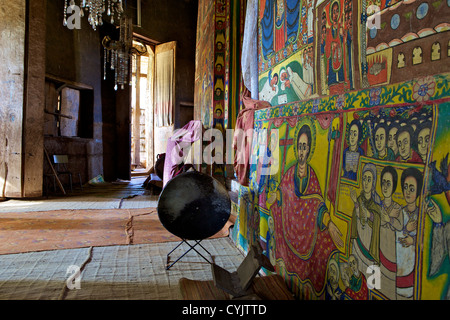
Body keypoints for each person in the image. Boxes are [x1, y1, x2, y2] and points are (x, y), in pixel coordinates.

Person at [268, 124, 343, 296]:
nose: (301, 151)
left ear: (309, 149)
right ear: (296, 149)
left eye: (305, 147)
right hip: (290, 227)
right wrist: (275, 196)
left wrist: (330, 224)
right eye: (299, 147)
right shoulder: (291, 172)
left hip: (306, 232)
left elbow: (318, 205)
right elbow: (282, 191)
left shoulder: (312, 176)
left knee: (324, 243)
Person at [350, 163, 382, 276]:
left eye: (369, 179)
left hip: (370, 246)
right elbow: (357, 217)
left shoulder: (377, 204)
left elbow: (378, 220)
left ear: (373, 183)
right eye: (364, 179)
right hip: (358, 244)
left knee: (371, 280)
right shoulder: (359, 199)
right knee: (357, 274)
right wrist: (356, 203)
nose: (366, 182)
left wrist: (370, 215)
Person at [396, 167, 423, 299]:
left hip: (413, 273)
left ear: (418, 191)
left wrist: (413, 241)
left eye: (411, 189)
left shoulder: (421, 217)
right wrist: (406, 229)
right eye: (405, 187)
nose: (407, 192)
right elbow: (394, 238)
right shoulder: (400, 213)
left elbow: (426, 243)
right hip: (399, 270)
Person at [379, 166, 403, 299]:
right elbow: (377, 222)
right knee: (375, 288)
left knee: (388, 293)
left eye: (389, 183)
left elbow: (399, 226)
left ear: (393, 186)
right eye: (383, 182)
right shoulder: (378, 205)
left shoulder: (398, 208)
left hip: (391, 261)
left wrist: (388, 219)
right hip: (377, 258)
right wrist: (387, 218)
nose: (385, 187)